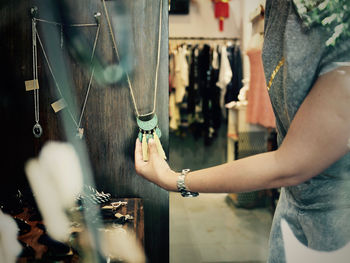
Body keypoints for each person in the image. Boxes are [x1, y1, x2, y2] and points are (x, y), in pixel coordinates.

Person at [135, 0, 350, 262]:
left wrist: (174, 180)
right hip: (294, 202)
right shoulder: (279, 8)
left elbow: (290, 163)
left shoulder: (340, 22)